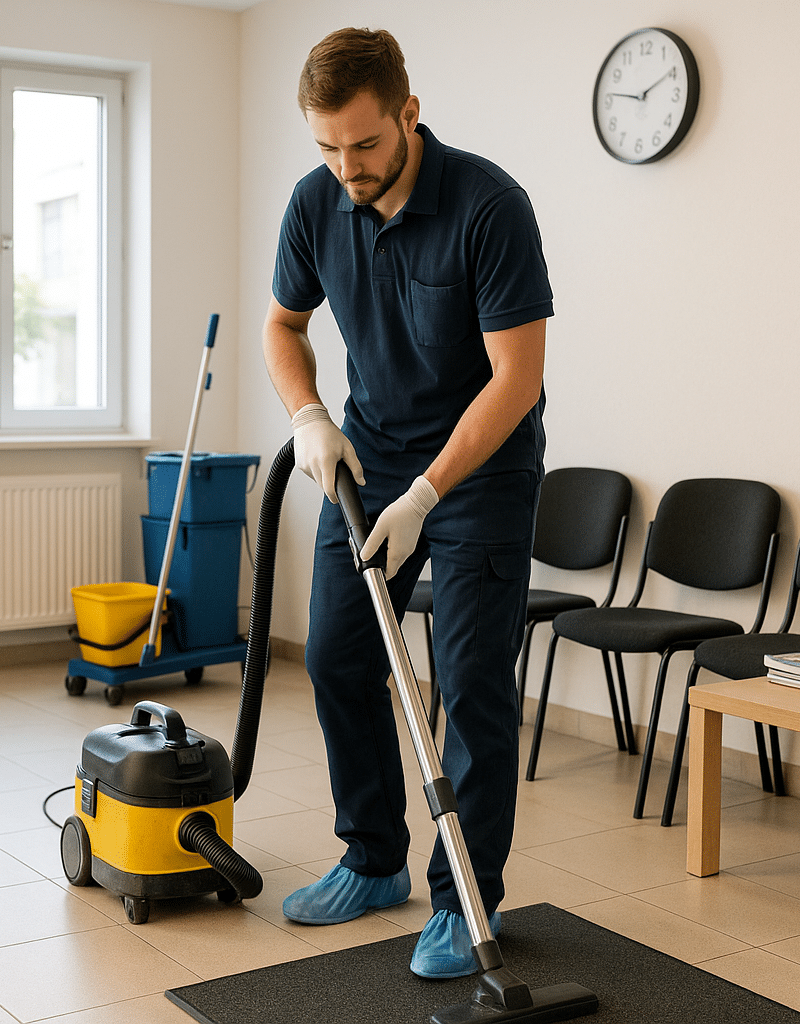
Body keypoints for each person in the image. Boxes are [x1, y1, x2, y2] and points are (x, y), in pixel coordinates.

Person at [262, 27, 552, 980]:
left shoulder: (488, 205)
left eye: (366, 145)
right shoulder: (315, 204)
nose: (347, 167)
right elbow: (284, 324)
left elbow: (515, 379)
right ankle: (373, 859)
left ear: (408, 114)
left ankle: (464, 897)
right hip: (369, 457)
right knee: (340, 657)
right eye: (327, 147)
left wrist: (432, 490)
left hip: (481, 477)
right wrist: (308, 414)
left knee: (470, 690)